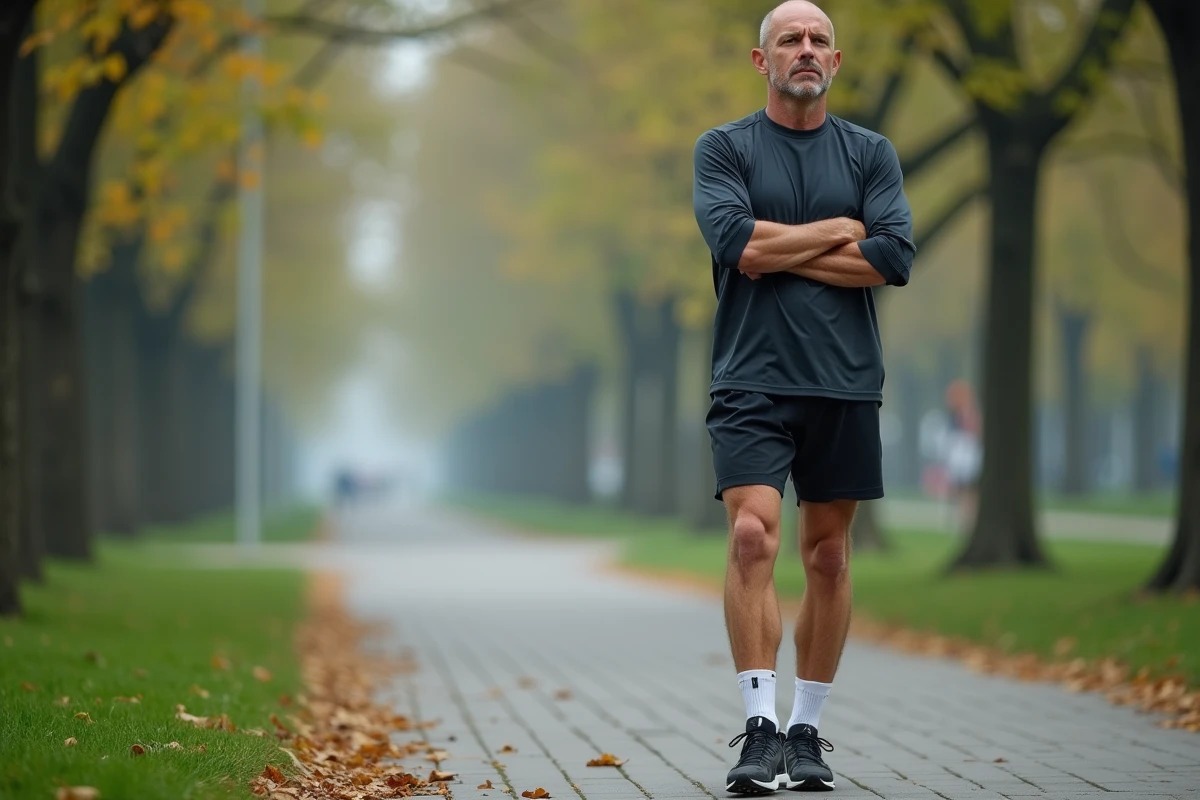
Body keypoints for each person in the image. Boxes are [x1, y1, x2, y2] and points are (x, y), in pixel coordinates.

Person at [691, 1, 915, 793]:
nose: (807, 50)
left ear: (836, 60)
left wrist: (782, 246)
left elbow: (891, 258)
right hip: (749, 377)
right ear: (763, 61)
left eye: (819, 40)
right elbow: (738, 247)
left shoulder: (870, 152)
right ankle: (759, 730)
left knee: (826, 554)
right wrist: (836, 230)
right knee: (753, 537)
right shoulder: (723, 148)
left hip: (844, 381)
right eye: (791, 39)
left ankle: (807, 733)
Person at [942, 380, 982, 532]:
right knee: (959, 488)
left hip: (967, 454)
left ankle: (968, 518)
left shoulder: (970, 413)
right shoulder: (954, 417)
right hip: (959, 454)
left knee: (969, 488)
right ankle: (960, 517)